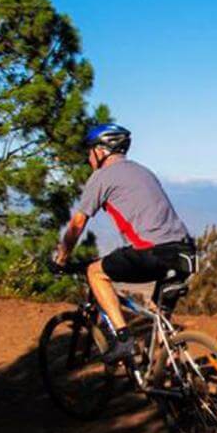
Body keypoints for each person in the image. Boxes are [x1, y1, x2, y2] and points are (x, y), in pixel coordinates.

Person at [53, 123, 196, 366]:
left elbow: (77, 223)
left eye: (90, 151)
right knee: (160, 318)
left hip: (153, 252)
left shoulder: (101, 177)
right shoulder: (144, 171)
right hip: (186, 251)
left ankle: (123, 339)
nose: (88, 157)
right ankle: (173, 377)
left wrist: (61, 258)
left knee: (95, 272)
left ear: (101, 151)